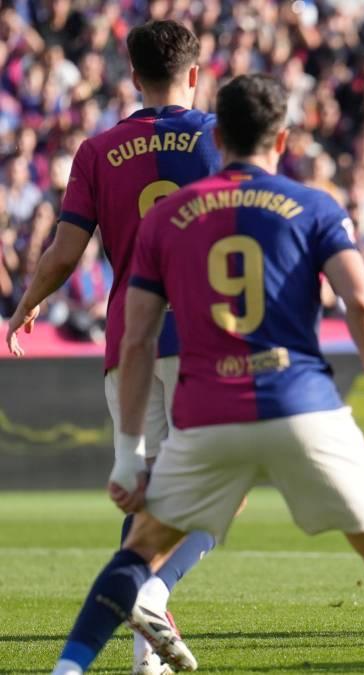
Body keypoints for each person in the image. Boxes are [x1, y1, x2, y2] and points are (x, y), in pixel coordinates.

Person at [49, 74, 364, 675]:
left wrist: (126, 451)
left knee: (139, 552)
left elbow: (137, 339)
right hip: (302, 404)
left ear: (216, 137)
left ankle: (68, 669)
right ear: (284, 138)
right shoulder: (314, 205)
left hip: (208, 413)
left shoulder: (167, 217)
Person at [4, 20, 224, 675]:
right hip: (203, 339)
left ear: (132, 75)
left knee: (149, 499)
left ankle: (144, 660)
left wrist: (26, 306)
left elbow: (64, 252)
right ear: (194, 71)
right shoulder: (222, 136)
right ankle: (150, 598)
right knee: (221, 491)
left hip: (128, 342)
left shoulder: (98, 150)